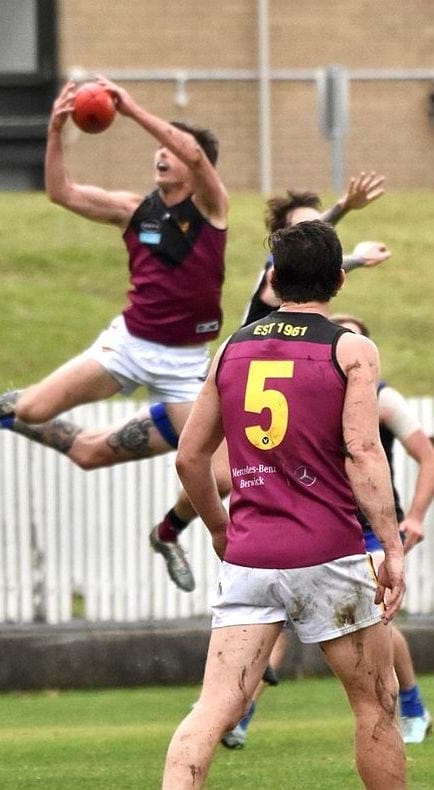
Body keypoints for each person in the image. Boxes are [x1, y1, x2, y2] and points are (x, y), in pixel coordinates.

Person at [162, 220, 406, 789]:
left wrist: (219, 529)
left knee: (213, 708)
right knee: (376, 703)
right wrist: (392, 549)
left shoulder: (233, 348)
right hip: (328, 554)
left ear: (273, 279)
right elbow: (363, 451)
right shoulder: (350, 349)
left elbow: (190, 458)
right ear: (340, 280)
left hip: (250, 557)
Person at [0, 77, 227, 495]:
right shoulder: (133, 210)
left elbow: (194, 153)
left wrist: (132, 109)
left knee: (215, 470)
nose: (162, 151)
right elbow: (61, 192)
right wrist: (55, 131)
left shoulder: (212, 208)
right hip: (129, 346)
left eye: (170, 147)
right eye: (159, 148)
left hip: (184, 364)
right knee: (32, 410)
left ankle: (195, 530)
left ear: (198, 171)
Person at [149, 176, 391, 592]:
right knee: (216, 474)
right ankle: (169, 532)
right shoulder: (277, 273)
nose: (314, 232)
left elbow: (312, 245)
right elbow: (309, 257)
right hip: (233, 385)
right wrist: (353, 255)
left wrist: (344, 208)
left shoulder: (300, 277)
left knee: (95, 451)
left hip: (264, 389)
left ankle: (170, 532)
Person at [220, 313, 433, 750]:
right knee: (277, 618)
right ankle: (240, 716)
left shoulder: (382, 397)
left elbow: (426, 456)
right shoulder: (303, 389)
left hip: (369, 526)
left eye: (354, 337)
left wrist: (414, 516)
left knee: (375, 616)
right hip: (317, 522)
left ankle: (412, 707)